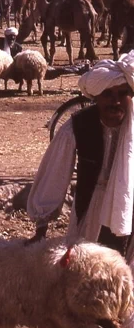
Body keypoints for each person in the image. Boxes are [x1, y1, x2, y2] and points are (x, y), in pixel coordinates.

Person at [27, 52, 134, 261]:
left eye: (122, 94)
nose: (116, 102)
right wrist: (42, 225)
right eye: (108, 95)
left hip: (129, 205)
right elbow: (55, 172)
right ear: (96, 97)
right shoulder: (79, 125)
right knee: (86, 265)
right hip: (92, 205)